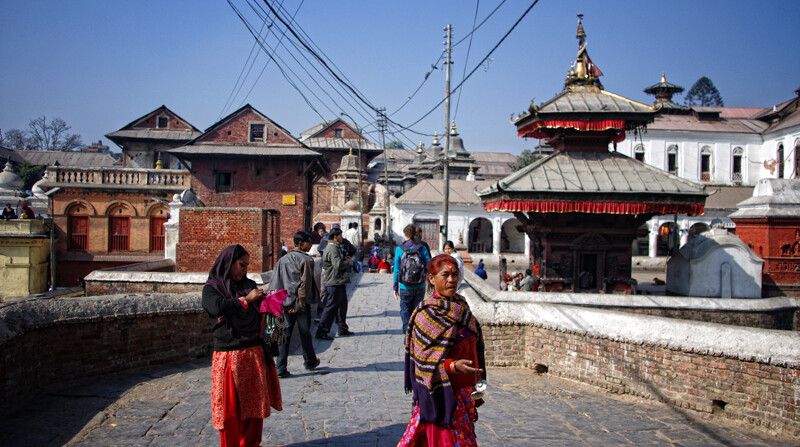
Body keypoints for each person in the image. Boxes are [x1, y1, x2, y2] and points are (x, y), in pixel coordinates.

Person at [398, 254, 486, 446]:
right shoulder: (426, 315)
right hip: (441, 395)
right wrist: (453, 365)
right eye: (445, 275)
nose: (451, 280)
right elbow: (423, 361)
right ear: (432, 279)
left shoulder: (461, 305)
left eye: (455, 274)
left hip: (464, 393)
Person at [202, 244, 282, 447]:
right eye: (241, 265)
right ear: (228, 263)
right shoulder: (212, 289)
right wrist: (245, 300)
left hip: (253, 353)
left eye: (247, 265)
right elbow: (217, 307)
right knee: (230, 411)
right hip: (229, 356)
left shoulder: (249, 285)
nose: (244, 269)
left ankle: (251, 443)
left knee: (253, 409)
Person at [269, 231, 321, 378]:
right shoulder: (306, 260)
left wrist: (283, 302)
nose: (310, 245)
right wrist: (298, 303)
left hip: (284, 302)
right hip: (299, 304)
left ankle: (280, 367)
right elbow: (305, 285)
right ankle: (310, 361)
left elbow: (276, 282)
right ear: (300, 244)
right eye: (308, 242)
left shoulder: (283, 260)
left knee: (285, 334)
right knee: (305, 333)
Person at [315, 228, 355, 339]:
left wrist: (344, 258)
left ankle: (342, 328)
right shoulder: (332, 248)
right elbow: (337, 265)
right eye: (340, 236)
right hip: (333, 281)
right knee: (331, 306)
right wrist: (348, 262)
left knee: (342, 305)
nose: (342, 238)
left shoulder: (336, 247)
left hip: (339, 280)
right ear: (335, 237)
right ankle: (321, 331)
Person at [394, 224, 432, 334]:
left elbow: (397, 270)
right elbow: (428, 265)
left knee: (405, 310)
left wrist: (395, 287)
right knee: (417, 310)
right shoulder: (422, 248)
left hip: (404, 286)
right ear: (415, 234)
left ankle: (407, 332)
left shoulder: (399, 249)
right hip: (420, 285)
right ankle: (416, 332)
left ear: (405, 234)